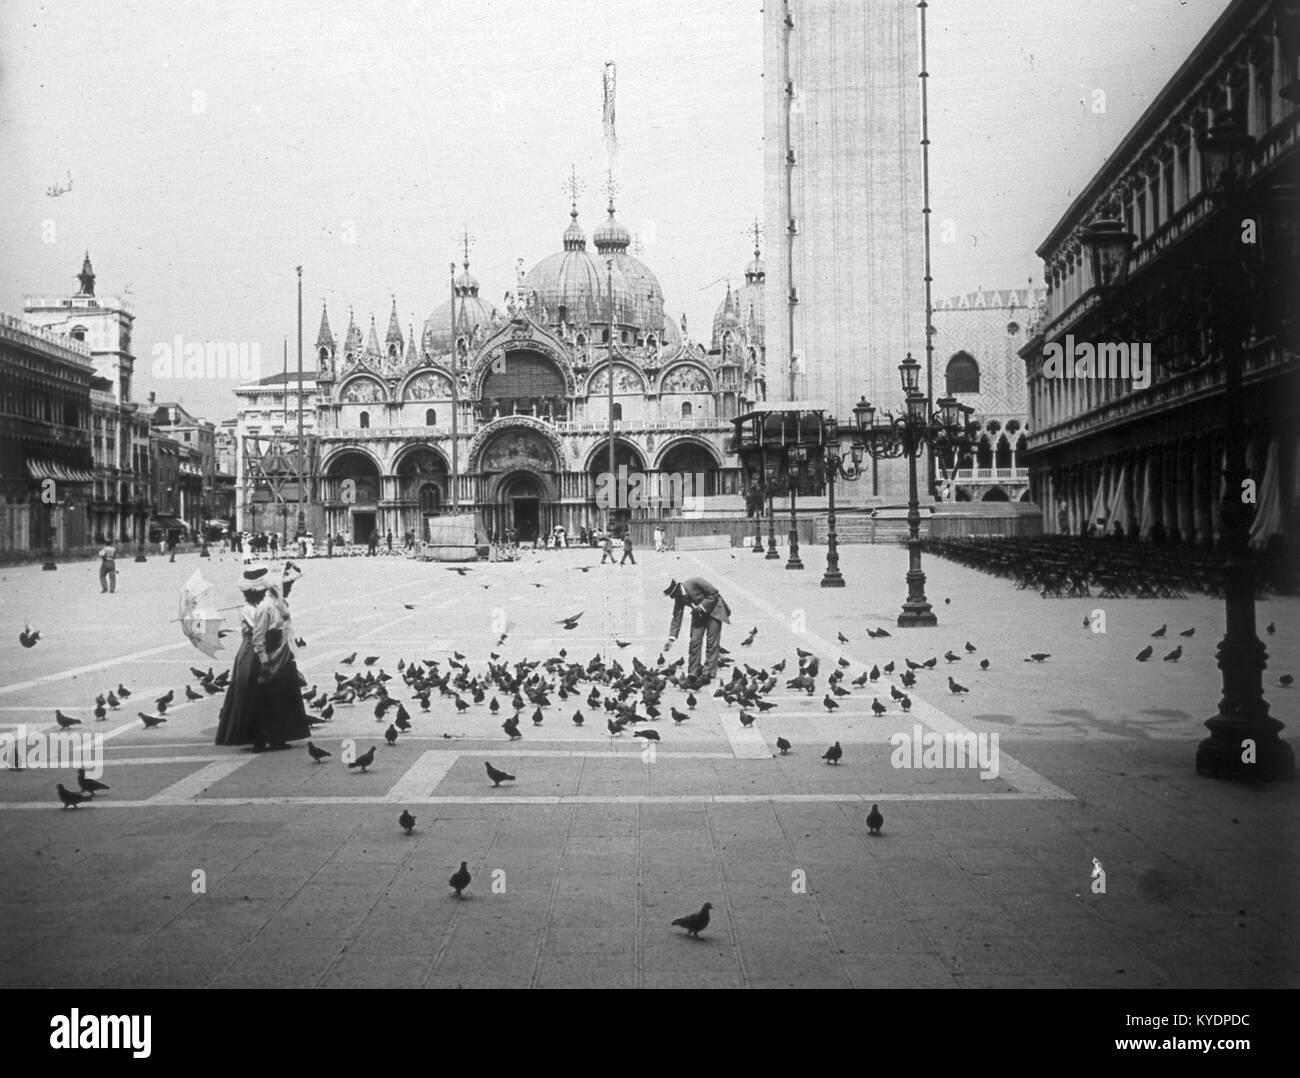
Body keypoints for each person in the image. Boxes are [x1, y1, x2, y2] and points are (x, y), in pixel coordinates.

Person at [250, 563, 311, 751]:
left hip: (284, 656)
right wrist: (264, 661)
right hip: (270, 659)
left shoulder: (281, 604)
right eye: (287, 586)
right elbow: (258, 637)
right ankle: (261, 739)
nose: (290, 588)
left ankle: (278, 737)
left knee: (282, 700)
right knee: (268, 701)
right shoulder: (265, 607)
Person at [215, 568, 270, 747]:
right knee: (249, 690)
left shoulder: (253, 607)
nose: (264, 594)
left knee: (255, 691)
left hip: (252, 648)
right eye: (262, 592)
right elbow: (259, 628)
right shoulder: (249, 609)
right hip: (250, 652)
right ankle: (249, 734)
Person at [663, 577, 731, 688]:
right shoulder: (679, 597)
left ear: (678, 589)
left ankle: (707, 673)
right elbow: (677, 617)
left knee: (712, 644)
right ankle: (693, 673)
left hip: (714, 611)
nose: (674, 598)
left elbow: (714, 593)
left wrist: (702, 607)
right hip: (698, 615)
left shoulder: (694, 582)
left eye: (673, 595)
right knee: (694, 642)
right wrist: (671, 639)